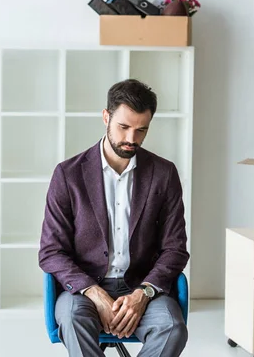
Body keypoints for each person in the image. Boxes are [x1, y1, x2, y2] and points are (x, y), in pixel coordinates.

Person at [38, 78, 190, 357]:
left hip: (141, 286)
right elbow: (51, 251)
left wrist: (142, 294)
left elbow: (175, 249)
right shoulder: (68, 175)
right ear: (106, 117)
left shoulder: (164, 174)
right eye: (124, 127)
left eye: (141, 130)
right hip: (83, 290)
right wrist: (95, 294)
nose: (132, 139)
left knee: (172, 327)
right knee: (73, 320)